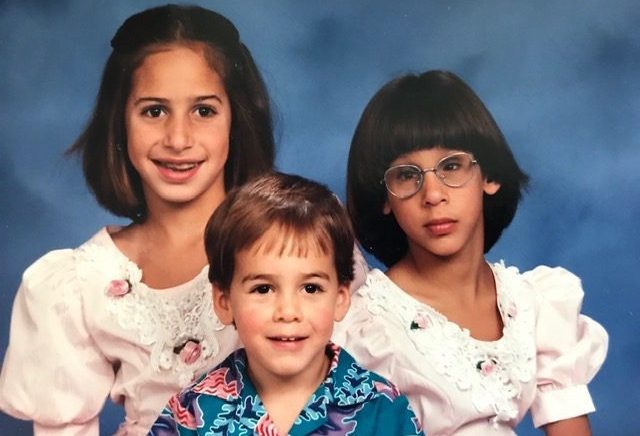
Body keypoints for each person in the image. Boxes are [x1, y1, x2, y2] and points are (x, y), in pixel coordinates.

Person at [0, 4, 276, 435]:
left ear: (237, 120)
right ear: (119, 124)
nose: (178, 139)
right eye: (153, 111)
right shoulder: (84, 280)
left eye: (203, 110)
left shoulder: (297, 236)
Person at [333, 70, 609, 435]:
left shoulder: (533, 302)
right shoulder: (365, 325)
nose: (433, 194)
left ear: (490, 176)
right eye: (407, 175)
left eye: (451, 166)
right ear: (385, 197)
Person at [148, 172, 424, 436]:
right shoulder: (191, 413)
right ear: (224, 302)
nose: (288, 312)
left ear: (341, 298)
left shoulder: (384, 409)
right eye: (264, 289)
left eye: (311, 288)